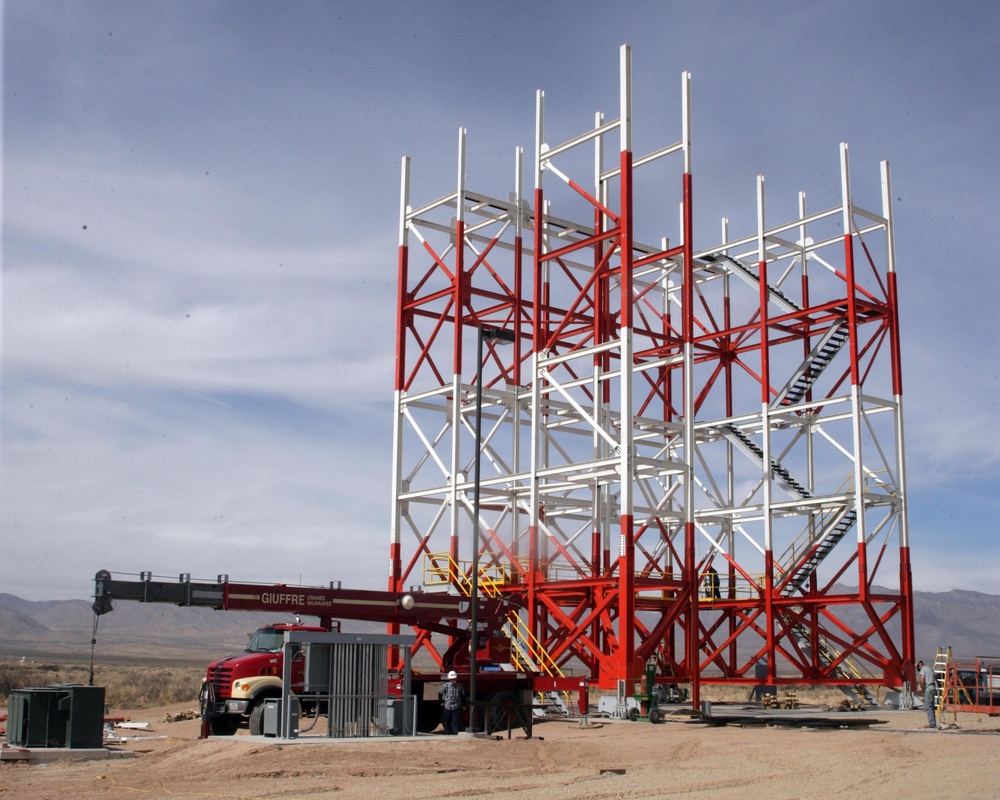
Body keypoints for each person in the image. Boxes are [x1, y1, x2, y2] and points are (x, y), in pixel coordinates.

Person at [438, 670, 466, 735]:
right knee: (447, 719)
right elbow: (440, 693)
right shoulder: (446, 686)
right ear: (449, 679)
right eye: (452, 680)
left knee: (455, 720)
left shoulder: (459, 686)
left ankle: (455, 732)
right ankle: (447, 731)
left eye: (455, 679)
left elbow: (462, 696)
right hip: (448, 706)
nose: (454, 681)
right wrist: (441, 702)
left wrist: (464, 705)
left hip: (456, 705)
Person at [917, 660, 937, 728]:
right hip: (933, 688)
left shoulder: (923, 669)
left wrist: (922, 688)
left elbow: (922, 680)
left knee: (928, 707)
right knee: (932, 706)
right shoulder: (930, 669)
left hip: (928, 689)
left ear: (920, 666)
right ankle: (933, 722)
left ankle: (932, 723)